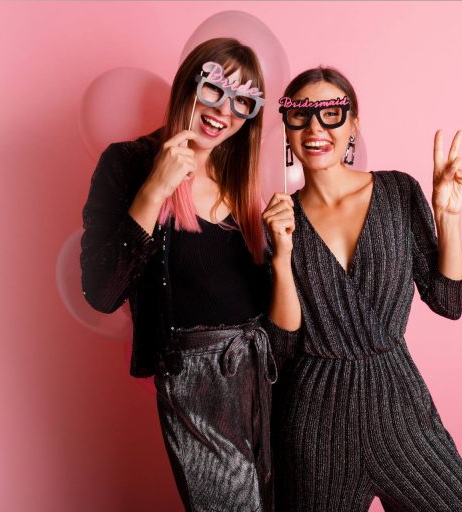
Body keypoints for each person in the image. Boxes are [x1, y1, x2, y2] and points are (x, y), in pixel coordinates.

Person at [262, 67, 462, 511]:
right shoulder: (279, 217)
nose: (316, 128)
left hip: (398, 407)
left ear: (354, 125)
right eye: (301, 116)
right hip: (315, 423)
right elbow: (284, 345)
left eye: (332, 114)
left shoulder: (397, 191)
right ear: (287, 127)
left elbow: (447, 301)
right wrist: (281, 254)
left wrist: (448, 216)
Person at [80, 37, 295, 512]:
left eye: (244, 102)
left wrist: (282, 257)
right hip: (195, 380)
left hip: (259, 374)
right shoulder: (128, 164)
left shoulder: (240, 187)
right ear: (188, 84)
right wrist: (154, 190)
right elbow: (101, 292)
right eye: (214, 89)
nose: (225, 111)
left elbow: (269, 312)